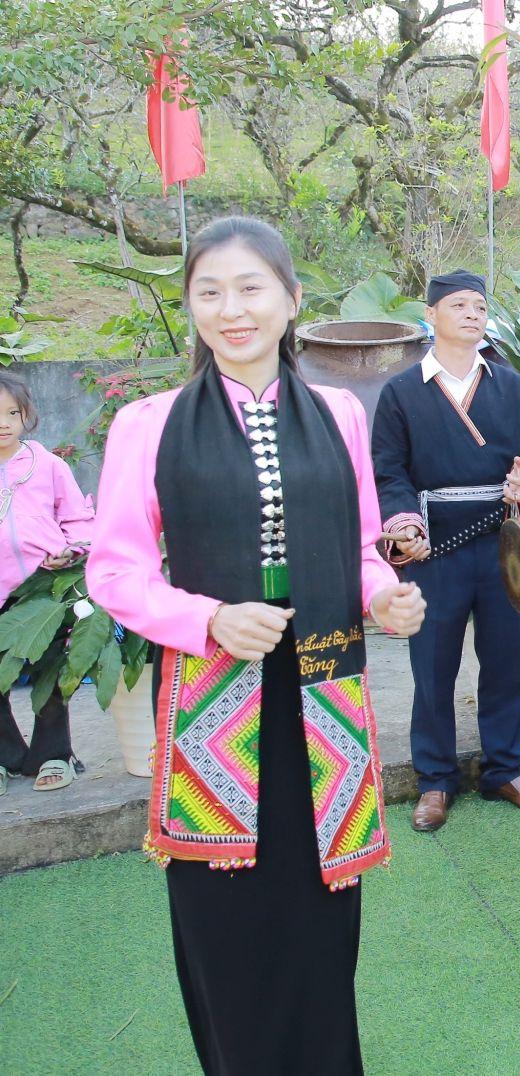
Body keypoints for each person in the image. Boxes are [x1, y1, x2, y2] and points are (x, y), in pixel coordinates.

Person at [87, 216, 427, 1074]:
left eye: (250, 288)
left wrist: (382, 594)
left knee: (322, 923)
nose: (231, 310)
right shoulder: (148, 423)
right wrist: (206, 619)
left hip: (323, 698)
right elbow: (116, 571)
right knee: (225, 926)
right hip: (213, 712)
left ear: (292, 299)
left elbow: (357, 546)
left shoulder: (340, 413)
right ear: (191, 305)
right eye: (209, 292)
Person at [370, 270, 520, 833]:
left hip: (502, 544)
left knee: (506, 660)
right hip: (432, 547)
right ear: (430, 316)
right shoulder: (401, 392)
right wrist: (404, 523)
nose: (472, 314)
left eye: (479, 305)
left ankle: (505, 769)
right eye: (458, 305)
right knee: (432, 666)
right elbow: (388, 471)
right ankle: (434, 779)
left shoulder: (510, 386)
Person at [0, 372, 95, 794]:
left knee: (50, 671)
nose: (4, 423)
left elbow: (77, 518)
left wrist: (70, 551)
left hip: (43, 588)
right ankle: (5, 757)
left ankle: (54, 754)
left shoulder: (48, 465)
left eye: (12, 413)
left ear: (27, 415)